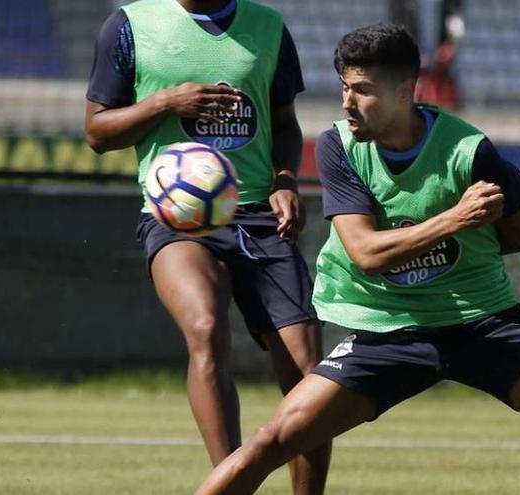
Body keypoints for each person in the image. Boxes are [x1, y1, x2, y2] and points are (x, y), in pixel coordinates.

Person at [194, 24, 520, 495]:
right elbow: (366, 254)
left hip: (482, 325)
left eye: (362, 90)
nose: (346, 102)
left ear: (405, 91)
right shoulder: (338, 146)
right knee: (271, 441)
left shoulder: (471, 153)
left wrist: (458, 245)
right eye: (344, 87)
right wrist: (453, 222)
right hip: (387, 332)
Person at [83, 1, 330, 493]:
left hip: (261, 217)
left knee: (309, 373)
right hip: (178, 219)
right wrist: (164, 103)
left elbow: (284, 123)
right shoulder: (129, 26)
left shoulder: (269, 28)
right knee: (206, 327)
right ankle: (231, 485)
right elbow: (96, 132)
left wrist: (285, 178)